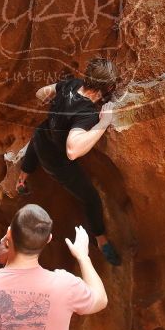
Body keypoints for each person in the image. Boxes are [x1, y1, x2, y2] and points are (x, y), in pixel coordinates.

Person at [16, 58, 121, 265]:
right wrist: (104, 121)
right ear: (108, 87)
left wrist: (56, 107)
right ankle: (101, 240)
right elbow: (72, 150)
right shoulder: (87, 113)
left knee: (39, 133)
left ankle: (22, 179)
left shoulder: (71, 84)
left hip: (44, 136)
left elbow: (41, 93)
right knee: (91, 197)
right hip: (57, 161)